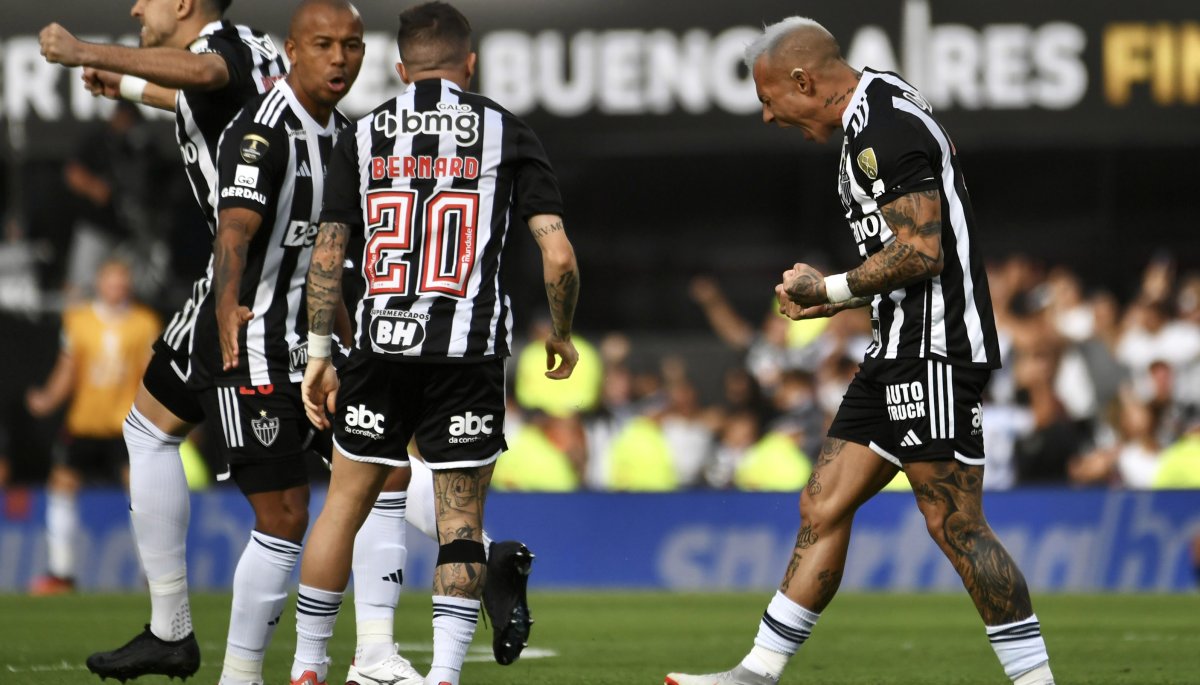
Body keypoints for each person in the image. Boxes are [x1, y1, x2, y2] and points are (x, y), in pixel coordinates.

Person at [666, 17, 1055, 685]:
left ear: (803, 80)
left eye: (768, 98)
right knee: (822, 505)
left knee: (954, 522)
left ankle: (1036, 681)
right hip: (895, 346)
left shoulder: (882, 127)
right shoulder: (871, 112)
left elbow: (921, 251)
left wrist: (831, 286)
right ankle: (756, 672)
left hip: (933, 346)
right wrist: (835, 300)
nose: (766, 116)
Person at [288, 3, 579, 685]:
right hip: (467, 351)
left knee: (343, 508)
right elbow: (558, 255)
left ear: (399, 66)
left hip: (379, 348)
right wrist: (562, 332)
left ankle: (307, 668)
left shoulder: (360, 136)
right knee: (460, 520)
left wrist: (319, 352)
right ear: (469, 64)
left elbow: (328, 252)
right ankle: (445, 675)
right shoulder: (506, 131)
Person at [40, 0, 287, 679]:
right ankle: (476, 549)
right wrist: (120, 84)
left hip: (252, 278)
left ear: (183, 4)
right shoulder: (259, 48)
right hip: (284, 265)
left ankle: (179, 631)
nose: (136, 6)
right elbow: (201, 88)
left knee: (299, 491)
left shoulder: (219, 49)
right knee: (150, 428)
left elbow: (204, 71)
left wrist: (89, 50)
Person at [186, 3, 426, 684]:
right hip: (251, 342)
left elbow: (331, 256)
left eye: (352, 45)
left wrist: (350, 331)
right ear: (293, 49)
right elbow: (233, 230)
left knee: (388, 469)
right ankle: (241, 673)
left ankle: (373, 652)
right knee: (286, 513)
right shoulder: (263, 130)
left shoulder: (345, 136)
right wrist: (227, 304)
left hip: (313, 343)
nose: (340, 59)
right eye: (323, 45)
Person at [26, 259, 160, 595]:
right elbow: (68, 370)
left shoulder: (145, 322)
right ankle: (62, 573)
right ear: (99, 282)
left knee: (142, 495)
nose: (117, 286)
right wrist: (48, 399)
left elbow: (151, 375)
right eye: (111, 279)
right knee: (61, 486)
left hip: (126, 424)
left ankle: (153, 572)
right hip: (84, 423)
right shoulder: (78, 320)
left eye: (122, 279)